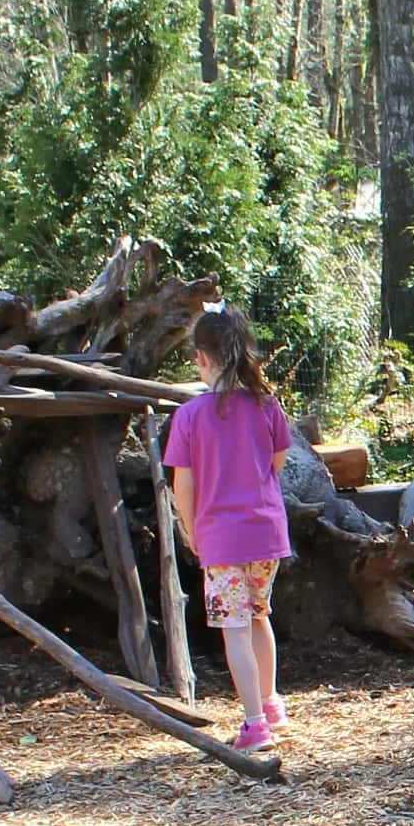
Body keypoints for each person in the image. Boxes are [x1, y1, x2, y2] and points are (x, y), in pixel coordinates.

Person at [164, 304, 296, 752]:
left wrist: (191, 529)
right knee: (260, 617)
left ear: (201, 357)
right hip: (267, 534)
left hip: (221, 538)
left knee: (234, 628)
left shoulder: (190, 416)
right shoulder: (266, 405)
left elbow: (183, 485)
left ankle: (254, 723)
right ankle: (271, 702)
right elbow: (277, 462)